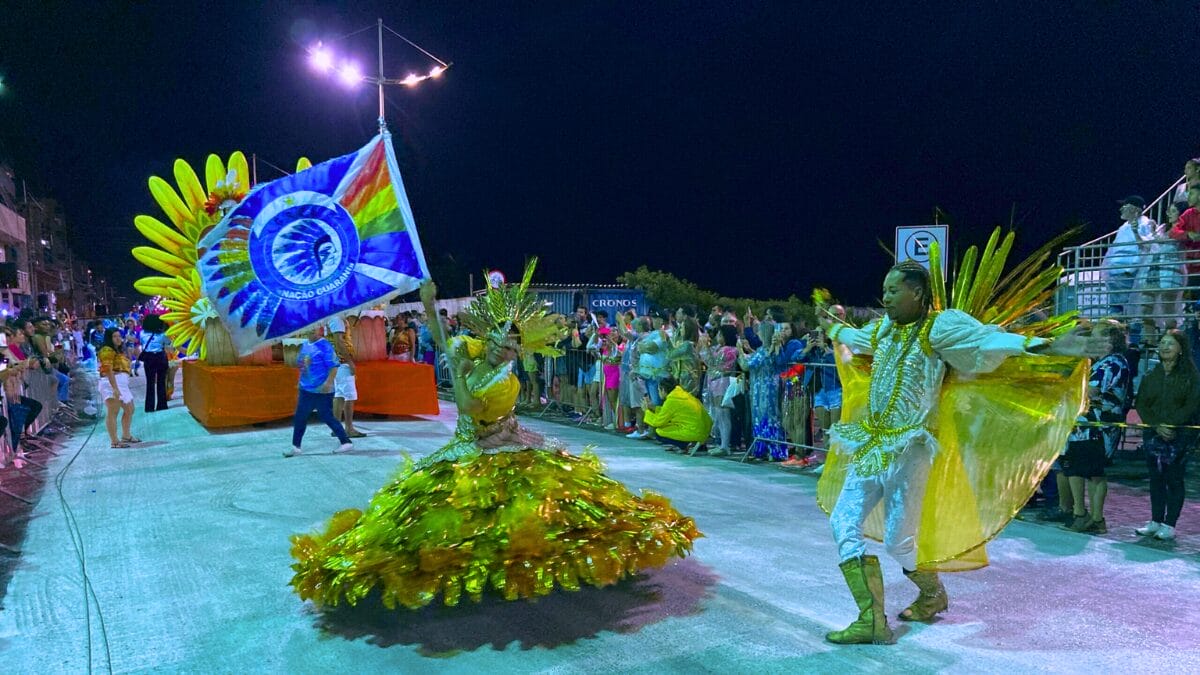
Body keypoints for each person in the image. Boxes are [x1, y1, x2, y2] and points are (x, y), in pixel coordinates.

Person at [289, 264, 700, 610]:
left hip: (492, 447)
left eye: (510, 346)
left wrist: (460, 374)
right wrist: (430, 303)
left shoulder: (508, 384)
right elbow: (445, 336)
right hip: (463, 447)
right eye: (500, 340)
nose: (502, 348)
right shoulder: (474, 349)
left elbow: (467, 408)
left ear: (515, 354)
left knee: (503, 516)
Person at [817, 261, 1098, 645]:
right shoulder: (884, 328)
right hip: (871, 444)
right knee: (842, 522)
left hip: (912, 450)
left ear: (916, 293)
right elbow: (855, 336)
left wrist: (1043, 344)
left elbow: (985, 341)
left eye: (892, 290)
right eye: (884, 291)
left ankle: (932, 593)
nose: (885, 298)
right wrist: (831, 325)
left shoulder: (940, 327)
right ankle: (871, 620)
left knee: (900, 542)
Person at [1061, 321, 1131, 534]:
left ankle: (1097, 518)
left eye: (1097, 335)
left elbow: (1092, 391)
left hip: (1098, 430)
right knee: (1075, 469)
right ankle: (1080, 514)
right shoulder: (1096, 362)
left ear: (1110, 340)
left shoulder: (1114, 363)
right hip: (1081, 427)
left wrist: (1068, 387)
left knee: (1094, 473)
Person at [1133, 329, 1200, 541]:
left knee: (1174, 479)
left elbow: (1192, 405)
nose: (1164, 347)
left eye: (1170, 343)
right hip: (1153, 435)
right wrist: (1155, 425)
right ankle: (1154, 521)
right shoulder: (1152, 375)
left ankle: (1169, 524)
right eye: (1162, 343)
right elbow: (1141, 403)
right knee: (1155, 479)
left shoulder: (1191, 377)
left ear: (1181, 349)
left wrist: (1170, 425)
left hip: (1178, 436)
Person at [283, 324, 352, 457]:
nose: (310, 329)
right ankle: (296, 446)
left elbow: (334, 366)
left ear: (319, 330)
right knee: (300, 417)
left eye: (313, 327)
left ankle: (346, 442)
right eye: (308, 327)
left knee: (326, 416)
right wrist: (301, 375)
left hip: (322, 389)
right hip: (306, 388)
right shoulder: (305, 345)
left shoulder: (325, 345)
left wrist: (328, 383)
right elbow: (301, 365)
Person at [1103, 195, 1154, 320]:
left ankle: (1132, 337)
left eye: (1125, 206)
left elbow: (1147, 247)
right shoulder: (1123, 227)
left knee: (1131, 310)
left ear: (1135, 209)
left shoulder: (1146, 224)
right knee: (1116, 310)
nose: (1121, 209)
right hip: (1115, 274)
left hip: (1128, 274)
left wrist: (1131, 269)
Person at [698, 324, 740, 456]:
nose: (717, 337)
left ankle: (725, 445)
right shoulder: (720, 348)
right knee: (718, 414)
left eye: (720, 334)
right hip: (716, 382)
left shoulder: (729, 350)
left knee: (723, 414)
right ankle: (721, 443)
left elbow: (712, 362)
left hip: (723, 382)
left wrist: (705, 347)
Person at [97, 328, 139, 448]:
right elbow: (108, 370)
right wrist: (114, 388)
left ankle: (126, 435)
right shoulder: (106, 350)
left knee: (130, 409)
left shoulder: (119, 349)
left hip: (122, 383)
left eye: (119, 336)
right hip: (111, 383)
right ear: (109, 338)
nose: (118, 338)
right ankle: (114, 441)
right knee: (113, 412)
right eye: (114, 336)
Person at [328, 315, 366, 438]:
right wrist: (349, 361)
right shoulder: (337, 319)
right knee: (349, 395)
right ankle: (349, 428)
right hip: (342, 362)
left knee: (339, 395)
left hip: (337, 362)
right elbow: (339, 342)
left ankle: (336, 428)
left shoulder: (338, 319)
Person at [138, 314, 172, 412]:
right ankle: (162, 405)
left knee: (150, 382)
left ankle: (149, 407)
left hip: (149, 358)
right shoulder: (162, 334)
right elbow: (168, 342)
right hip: (160, 357)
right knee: (161, 382)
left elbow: (141, 343)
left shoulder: (142, 333)